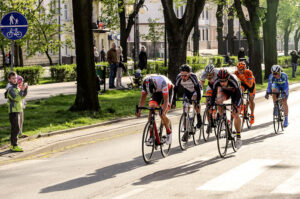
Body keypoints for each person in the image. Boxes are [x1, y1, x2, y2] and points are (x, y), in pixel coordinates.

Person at [136, 75, 174, 145]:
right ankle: (151, 137)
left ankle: (168, 131)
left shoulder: (163, 82)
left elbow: (166, 100)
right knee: (151, 109)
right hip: (156, 92)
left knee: (162, 114)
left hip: (168, 90)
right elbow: (143, 98)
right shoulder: (145, 83)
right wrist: (139, 111)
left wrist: (163, 111)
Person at [210, 69, 243, 149]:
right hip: (225, 92)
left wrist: (236, 106)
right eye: (220, 81)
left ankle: (238, 138)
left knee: (235, 114)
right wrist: (211, 105)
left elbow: (239, 97)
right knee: (218, 100)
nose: (222, 83)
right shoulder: (217, 82)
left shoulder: (233, 81)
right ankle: (223, 120)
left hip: (235, 93)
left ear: (228, 79)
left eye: (224, 81)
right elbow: (213, 95)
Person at [4, 71, 28, 152]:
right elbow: (17, 98)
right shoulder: (11, 89)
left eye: (15, 78)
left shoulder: (17, 87)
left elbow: (22, 97)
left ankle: (12, 145)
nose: (15, 80)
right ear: (9, 79)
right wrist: (22, 90)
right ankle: (14, 146)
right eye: (13, 78)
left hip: (18, 110)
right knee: (16, 129)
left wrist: (25, 89)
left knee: (15, 129)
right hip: (13, 112)